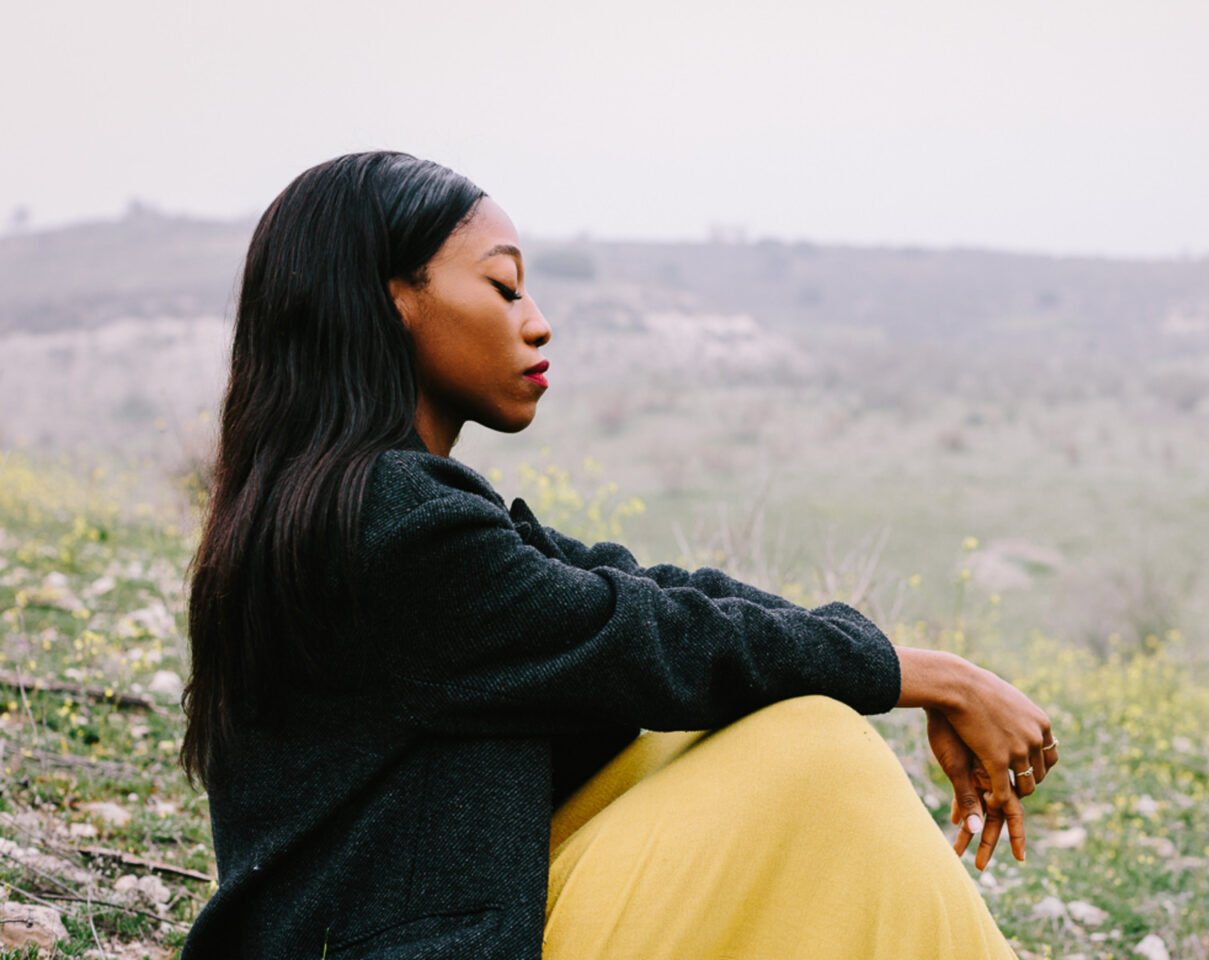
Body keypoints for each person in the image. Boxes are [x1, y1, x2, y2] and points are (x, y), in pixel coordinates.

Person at [177, 149, 1058, 959]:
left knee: (774, 726)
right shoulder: (393, 530)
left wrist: (901, 665)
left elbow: (646, 591)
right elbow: (646, 636)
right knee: (818, 752)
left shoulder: (371, 506)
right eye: (504, 288)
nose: (538, 323)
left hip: (439, 915)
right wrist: (930, 679)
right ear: (390, 298)